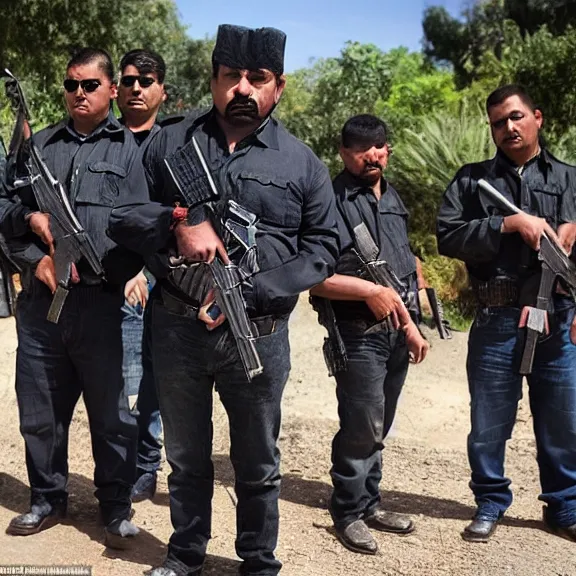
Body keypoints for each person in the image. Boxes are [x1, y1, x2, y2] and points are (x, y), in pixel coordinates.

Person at [108, 24, 340, 576]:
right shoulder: (170, 142)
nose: (243, 88)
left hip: (256, 334)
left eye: (257, 79)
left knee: (257, 461)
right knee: (185, 457)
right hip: (179, 330)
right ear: (213, 81)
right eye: (231, 76)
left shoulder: (301, 162)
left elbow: (324, 248)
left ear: (277, 87)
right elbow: (123, 216)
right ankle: (186, 552)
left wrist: (255, 288)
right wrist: (178, 222)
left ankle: (258, 560)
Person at [0, 48, 146, 548]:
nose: (78, 94)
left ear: (111, 90)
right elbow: (4, 207)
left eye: (88, 85)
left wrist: (121, 274)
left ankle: (115, 507)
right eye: (70, 86)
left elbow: (143, 225)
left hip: (100, 305)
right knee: (40, 409)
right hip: (42, 306)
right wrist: (30, 241)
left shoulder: (132, 151)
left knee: (111, 415)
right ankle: (46, 498)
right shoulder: (38, 147)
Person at [437, 84, 576, 543]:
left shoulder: (571, 180)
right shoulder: (471, 180)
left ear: (537, 117)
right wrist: (506, 224)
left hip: (559, 317)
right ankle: (490, 502)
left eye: (516, 117)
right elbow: (448, 236)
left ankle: (565, 507)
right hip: (497, 319)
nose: (509, 128)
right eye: (499, 122)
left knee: (563, 420)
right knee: (488, 422)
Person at [309, 114, 430, 554]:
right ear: (343, 153)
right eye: (360, 148)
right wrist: (368, 291)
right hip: (356, 331)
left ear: (388, 149)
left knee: (381, 423)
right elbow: (313, 276)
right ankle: (348, 511)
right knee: (360, 425)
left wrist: (413, 327)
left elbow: (403, 271)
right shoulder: (331, 200)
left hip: (398, 329)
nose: (371, 155)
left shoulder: (393, 198)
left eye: (378, 146)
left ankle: (370, 502)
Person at [117, 48, 168, 502]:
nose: (137, 88)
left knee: (149, 375)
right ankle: (116, 463)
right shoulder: (101, 138)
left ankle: (145, 464)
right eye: (129, 80)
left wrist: (144, 269)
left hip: (154, 280)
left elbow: (178, 220)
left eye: (146, 81)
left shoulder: (171, 145)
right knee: (108, 377)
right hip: (100, 277)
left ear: (161, 91)